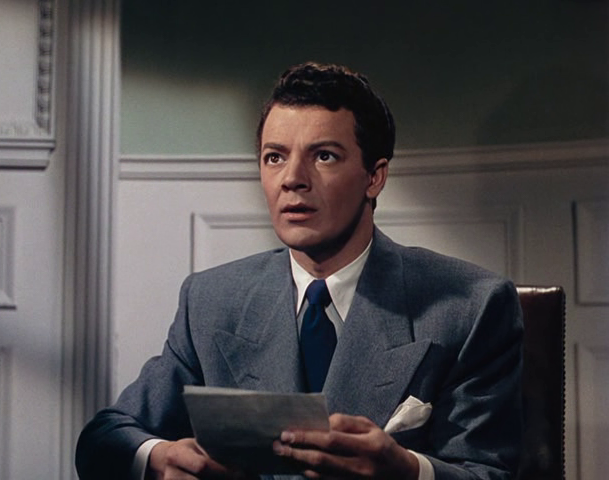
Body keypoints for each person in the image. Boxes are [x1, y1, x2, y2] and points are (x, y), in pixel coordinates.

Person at [76, 62, 523, 480]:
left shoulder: (470, 307)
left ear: (374, 177)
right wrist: (158, 457)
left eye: (324, 156)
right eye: (275, 157)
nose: (293, 178)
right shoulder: (211, 301)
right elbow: (106, 437)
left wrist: (406, 471)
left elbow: (490, 472)